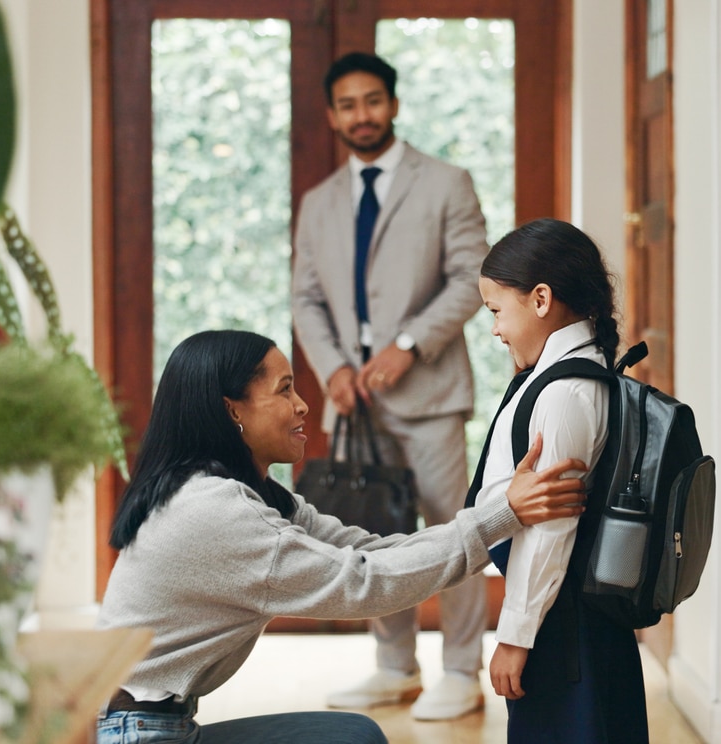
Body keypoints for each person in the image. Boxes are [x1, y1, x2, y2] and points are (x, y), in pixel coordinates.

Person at [95, 330, 587, 744]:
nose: (304, 404)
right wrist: (500, 517)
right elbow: (364, 585)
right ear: (233, 411)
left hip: (158, 725)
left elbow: (370, 551)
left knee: (352, 735)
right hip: (138, 734)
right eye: (285, 390)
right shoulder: (213, 511)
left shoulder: (253, 497)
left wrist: (500, 516)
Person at [291, 51, 492, 720]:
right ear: (331, 115)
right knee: (370, 534)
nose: (361, 115)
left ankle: (462, 671)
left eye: (372, 101)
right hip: (352, 401)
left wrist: (408, 346)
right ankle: (394, 667)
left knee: (449, 530)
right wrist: (332, 371)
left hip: (429, 393)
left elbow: (472, 279)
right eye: (347, 105)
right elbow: (306, 299)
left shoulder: (445, 183)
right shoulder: (317, 203)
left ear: (393, 104)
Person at [472, 219, 650, 743]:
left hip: (564, 629)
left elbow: (550, 530)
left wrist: (516, 635)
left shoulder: (565, 391)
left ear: (542, 299)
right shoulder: (563, 374)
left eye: (497, 311)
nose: (496, 329)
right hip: (569, 621)